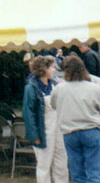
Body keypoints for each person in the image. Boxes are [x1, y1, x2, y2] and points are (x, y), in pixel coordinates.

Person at [51, 54, 100, 183]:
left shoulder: (58, 89)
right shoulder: (94, 88)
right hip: (91, 130)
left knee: (76, 171)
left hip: (70, 132)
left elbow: (54, 105)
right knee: (94, 170)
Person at [23, 55, 69, 183]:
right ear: (43, 69)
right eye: (52, 68)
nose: (54, 70)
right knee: (44, 164)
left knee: (61, 162)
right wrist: (35, 136)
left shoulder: (55, 84)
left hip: (59, 127)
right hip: (44, 129)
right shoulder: (31, 87)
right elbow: (28, 113)